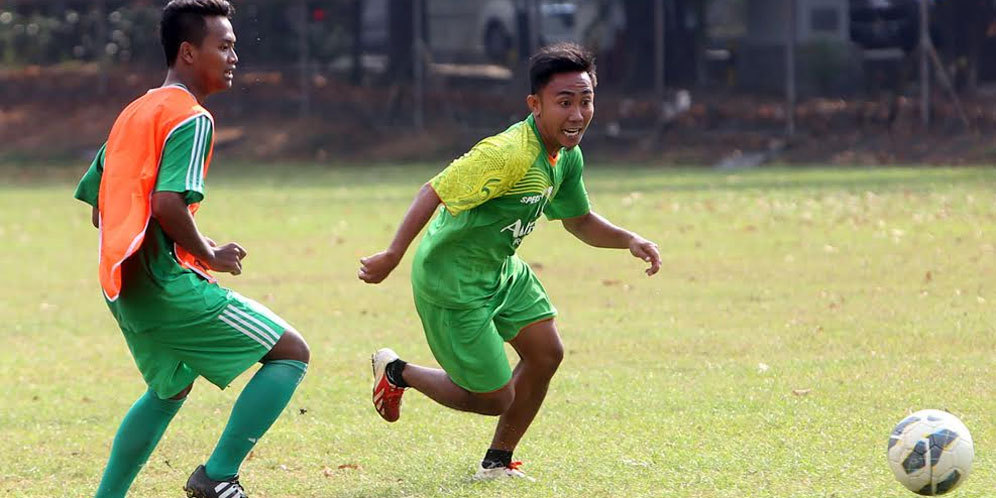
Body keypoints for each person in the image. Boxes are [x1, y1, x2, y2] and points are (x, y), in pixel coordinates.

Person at [358, 42, 661, 480]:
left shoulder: (566, 155)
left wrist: (629, 240)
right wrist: (391, 255)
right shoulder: (509, 153)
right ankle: (398, 372)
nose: (577, 114)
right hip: (452, 280)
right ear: (534, 104)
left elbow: (578, 220)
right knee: (494, 397)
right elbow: (434, 189)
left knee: (546, 354)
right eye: (564, 102)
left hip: (500, 269)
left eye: (586, 100)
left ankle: (497, 462)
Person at [73, 2, 309, 497]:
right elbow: (165, 204)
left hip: (122, 284)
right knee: (290, 352)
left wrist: (144, 245)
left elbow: (100, 202)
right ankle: (218, 476)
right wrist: (208, 252)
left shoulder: (134, 112)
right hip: (162, 284)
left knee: (169, 389)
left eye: (235, 46)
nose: (233, 56)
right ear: (187, 52)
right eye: (223, 46)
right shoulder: (191, 117)